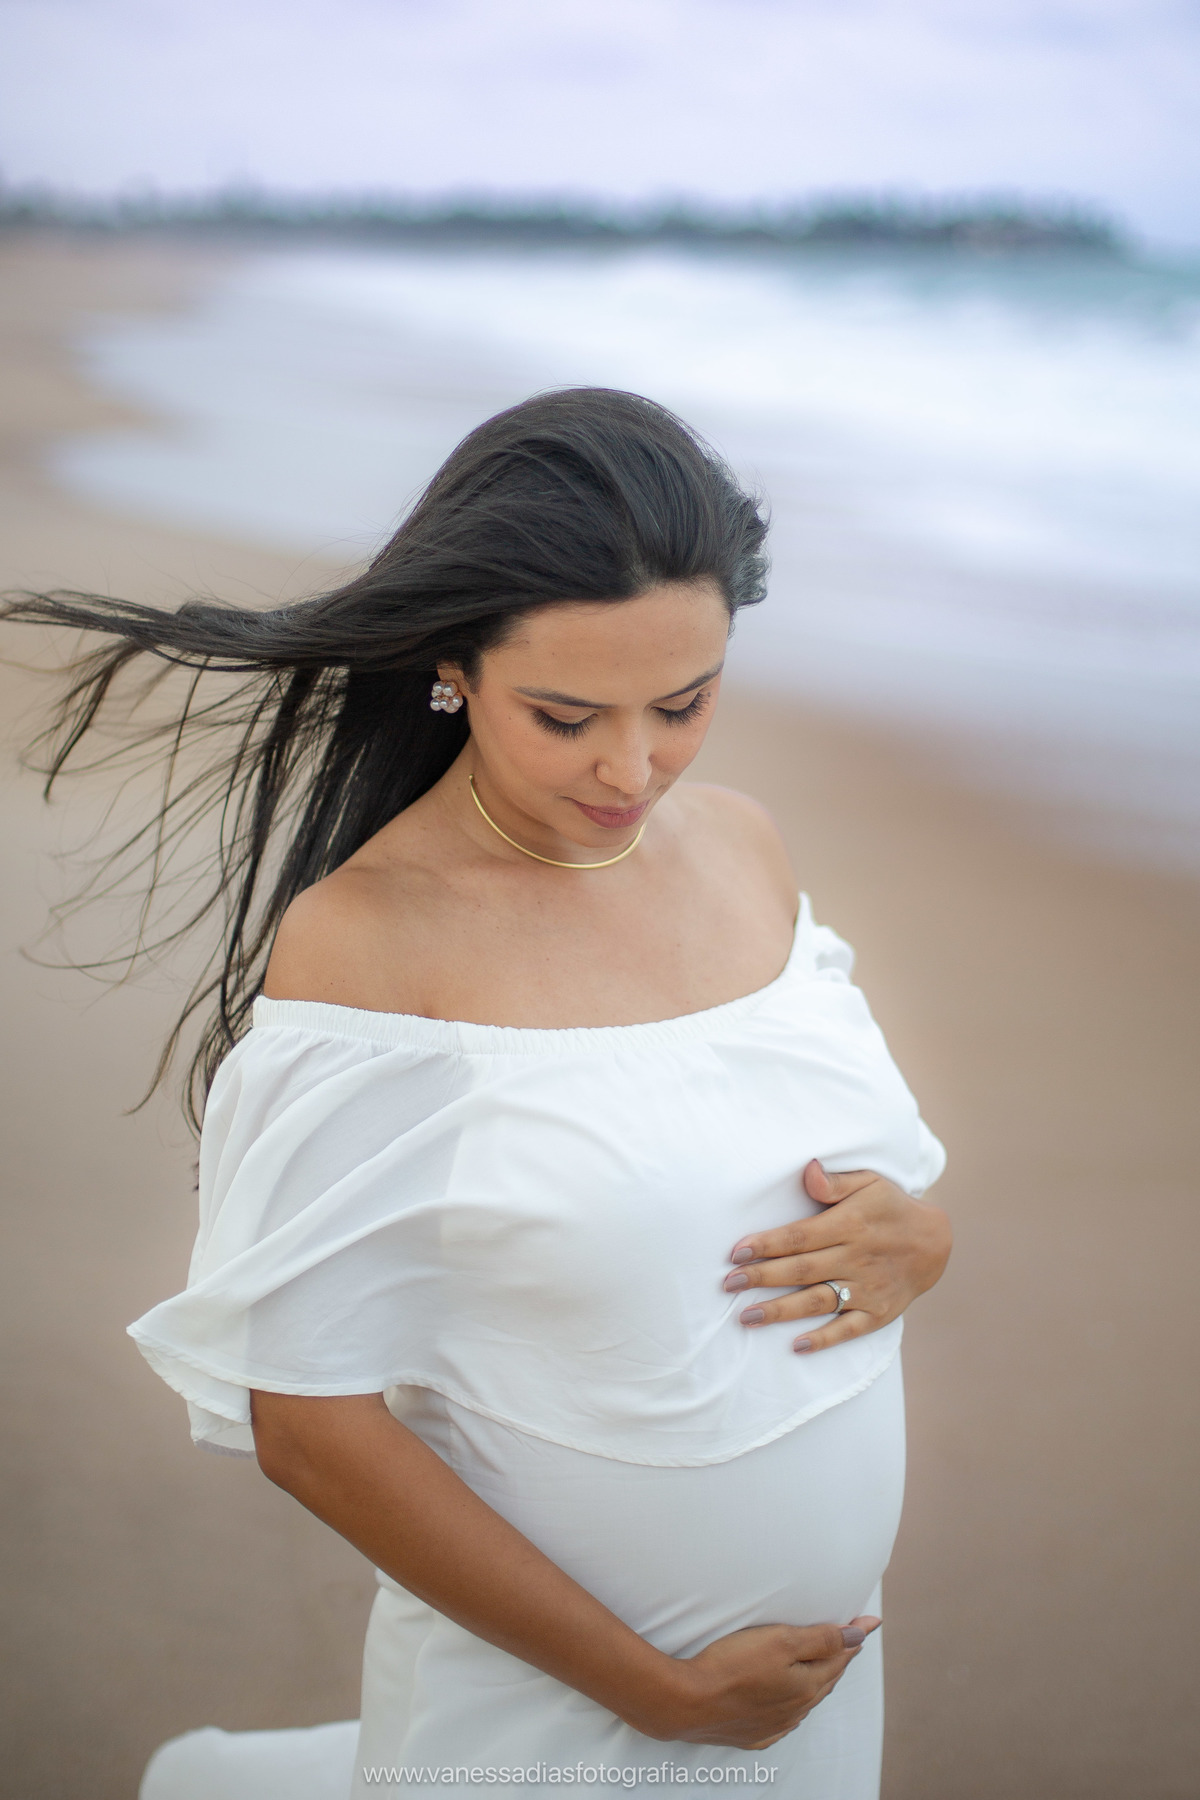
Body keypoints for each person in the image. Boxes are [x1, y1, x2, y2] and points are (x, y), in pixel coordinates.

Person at [6, 389, 950, 1799]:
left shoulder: (744, 848)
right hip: (573, 1716)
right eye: (566, 716)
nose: (634, 769)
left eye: (683, 704)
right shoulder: (371, 948)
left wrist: (923, 1242)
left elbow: (859, 1177)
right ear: (454, 667)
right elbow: (309, 1427)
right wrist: (661, 1694)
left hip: (813, 1695)